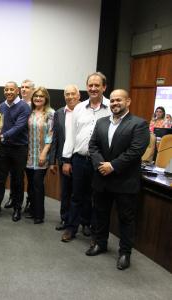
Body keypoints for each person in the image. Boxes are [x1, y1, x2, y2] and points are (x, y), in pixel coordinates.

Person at [86, 89, 149, 270]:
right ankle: (100, 243)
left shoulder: (139, 124)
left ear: (128, 102)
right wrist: (101, 165)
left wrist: (112, 166)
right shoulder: (101, 122)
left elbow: (135, 151)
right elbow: (93, 146)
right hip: (102, 178)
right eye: (112, 101)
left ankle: (124, 253)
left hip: (124, 181)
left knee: (125, 219)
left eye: (118, 100)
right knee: (100, 214)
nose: (114, 103)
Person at [61, 72, 111, 242]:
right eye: (90, 85)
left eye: (97, 85)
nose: (93, 88)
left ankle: (90, 227)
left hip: (100, 162)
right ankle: (71, 228)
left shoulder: (112, 108)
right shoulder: (79, 108)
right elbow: (71, 136)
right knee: (76, 196)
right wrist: (67, 160)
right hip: (79, 159)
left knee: (96, 197)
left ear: (104, 87)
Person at [0, 81, 31, 222]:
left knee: (18, 180)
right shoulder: (1, 106)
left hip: (19, 148)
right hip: (4, 148)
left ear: (17, 91)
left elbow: (19, 126)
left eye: (11, 89)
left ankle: (17, 208)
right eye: (6, 89)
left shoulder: (24, 106)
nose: (9, 92)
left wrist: (2, 136)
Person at [49, 85, 80, 230]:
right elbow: (55, 138)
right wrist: (52, 161)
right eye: (67, 94)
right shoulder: (59, 113)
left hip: (81, 159)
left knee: (81, 192)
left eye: (73, 94)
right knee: (66, 191)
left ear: (78, 95)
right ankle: (65, 219)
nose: (70, 96)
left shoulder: (85, 111)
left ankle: (84, 223)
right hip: (63, 159)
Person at [25, 87, 54, 224]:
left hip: (42, 155)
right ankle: (31, 210)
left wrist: (44, 153)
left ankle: (39, 214)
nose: (38, 98)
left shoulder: (50, 114)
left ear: (46, 98)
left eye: (41, 96)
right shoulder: (29, 112)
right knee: (30, 184)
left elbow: (50, 135)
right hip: (29, 155)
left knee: (38, 184)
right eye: (36, 96)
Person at [5, 79, 35, 210]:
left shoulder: (35, 105)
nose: (24, 89)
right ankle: (13, 197)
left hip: (28, 146)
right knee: (14, 175)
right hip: (11, 145)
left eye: (27, 87)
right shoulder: (8, 105)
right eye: (22, 87)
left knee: (27, 177)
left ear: (33, 90)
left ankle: (30, 201)